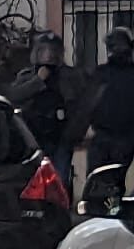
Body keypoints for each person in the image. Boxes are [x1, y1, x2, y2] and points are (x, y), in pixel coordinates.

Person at [8, 31, 94, 188]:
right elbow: (14, 96)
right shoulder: (28, 75)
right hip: (35, 138)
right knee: (32, 181)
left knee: (59, 182)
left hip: (61, 138)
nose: (49, 56)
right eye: (45, 51)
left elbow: (82, 107)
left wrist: (75, 133)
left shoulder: (71, 76)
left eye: (53, 51)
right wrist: (38, 81)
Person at [85, 26, 134, 173]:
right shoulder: (100, 74)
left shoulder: (100, 74)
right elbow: (88, 105)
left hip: (118, 137)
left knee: (99, 182)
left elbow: (87, 106)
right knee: (102, 182)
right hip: (107, 136)